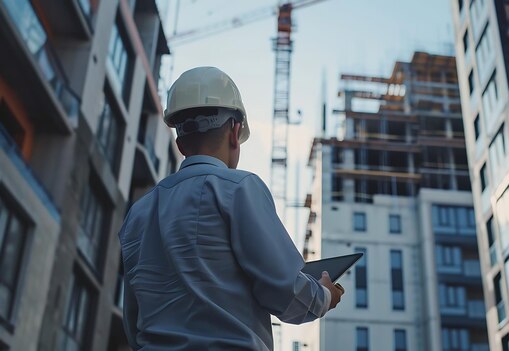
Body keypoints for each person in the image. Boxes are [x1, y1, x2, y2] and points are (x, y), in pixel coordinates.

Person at [118, 67, 344, 350]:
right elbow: (287, 294)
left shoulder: (138, 214)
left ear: (179, 143)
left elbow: (133, 319)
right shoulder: (238, 188)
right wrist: (323, 294)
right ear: (235, 132)